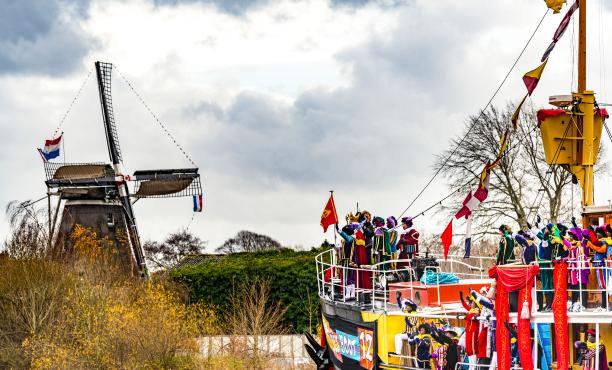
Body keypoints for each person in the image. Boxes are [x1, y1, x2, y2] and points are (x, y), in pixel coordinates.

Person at [586, 225, 612, 312]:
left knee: (604, 285)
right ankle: (604, 306)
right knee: (603, 285)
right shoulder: (607, 242)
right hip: (601, 265)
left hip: (603, 266)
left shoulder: (604, 242)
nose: (596, 234)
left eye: (598, 233)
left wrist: (590, 232)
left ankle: (604, 306)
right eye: (596, 232)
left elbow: (596, 244)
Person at [567, 217, 590, 312]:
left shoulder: (584, 244)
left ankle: (584, 305)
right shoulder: (580, 244)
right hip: (578, 267)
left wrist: (575, 225)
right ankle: (579, 304)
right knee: (580, 286)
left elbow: (580, 235)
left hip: (583, 267)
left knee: (583, 286)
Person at [470, 287, 496, 367]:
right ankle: (482, 364)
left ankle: (485, 365)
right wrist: (474, 294)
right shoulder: (486, 304)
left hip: (488, 327)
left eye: (485, 292)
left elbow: (484, 300)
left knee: (486, 347)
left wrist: (474, 294)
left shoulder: (491, 302)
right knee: (481, 346)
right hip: (483, 328)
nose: (484, 294)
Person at [393, 291, 420, 356]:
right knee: (397, 336)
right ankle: (398, 352)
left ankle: (398, 353)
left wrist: (406, 320)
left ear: (412, 307)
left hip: (412, 334)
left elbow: (411, 325)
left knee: (397, 336)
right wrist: (398, 299)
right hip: (407, 333)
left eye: (408, 306)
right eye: (406, 306)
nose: (406, 307)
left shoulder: (415, 315)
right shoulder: (407, 312)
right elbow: (401, 307)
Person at [457, 291, 480, 370]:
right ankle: (471, 366)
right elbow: (466, 307)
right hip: (469, 331)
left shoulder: (478, 311)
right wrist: (462, 299)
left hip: (473, 331)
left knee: (473, 349)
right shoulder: (472, 310)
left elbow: (470, 316)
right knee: (469, 349)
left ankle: (473, 366)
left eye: (473, 303)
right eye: (471, 303)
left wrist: (464, 316)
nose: (471, 304)